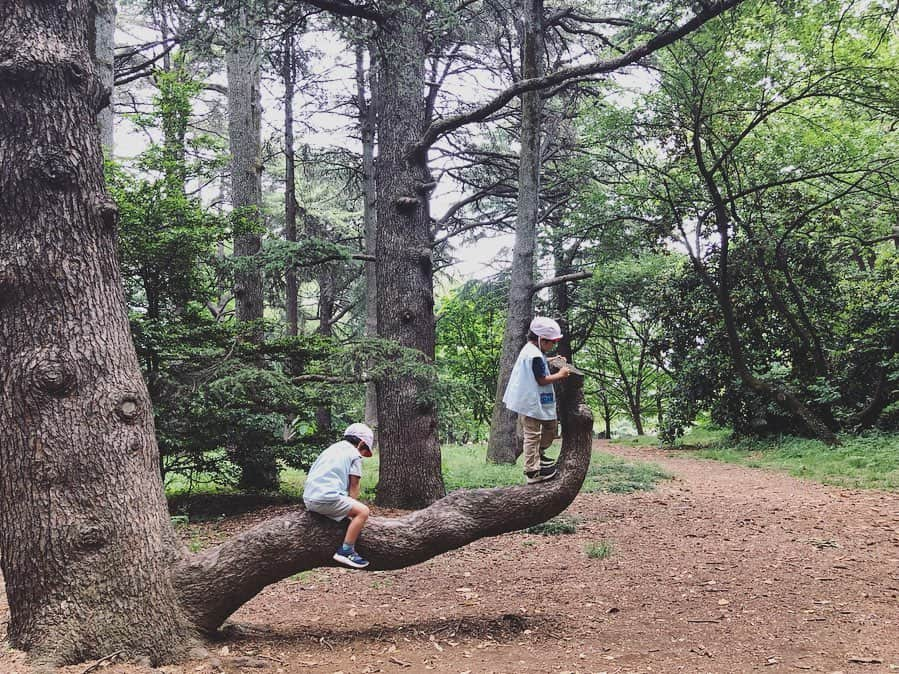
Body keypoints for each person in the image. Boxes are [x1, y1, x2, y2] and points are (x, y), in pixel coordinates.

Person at [502, 317, 571, 484]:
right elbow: (541, 379)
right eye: (552, 342)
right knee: (532, 435)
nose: (553, 345)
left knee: (550, 427)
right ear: (542, 340)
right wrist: (560, 375)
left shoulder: (532, 350)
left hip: (533, 400)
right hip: (530, 403)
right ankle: (532, 471)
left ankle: (538, 453)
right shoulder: (534, 356)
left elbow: (539, 361)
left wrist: (551, 359)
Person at [303, 423, 375, 569]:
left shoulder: (332, 449)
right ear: (361, 443)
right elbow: (354, 486)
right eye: (364, 449)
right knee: (363, 511)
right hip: (326, 497)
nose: (362, 454)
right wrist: (352, 508)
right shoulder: (354, 455)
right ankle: (346, 550)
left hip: (309, 497)